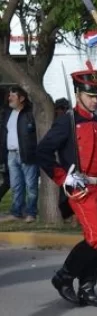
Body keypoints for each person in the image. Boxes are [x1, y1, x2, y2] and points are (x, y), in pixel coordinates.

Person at [36, 64, 97, 308]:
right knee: (96, 236)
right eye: (90, 96)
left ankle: (88, 288)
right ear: (78, 94)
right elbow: (43, 152)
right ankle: (64, 276)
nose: (94, 101)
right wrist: (63, 178)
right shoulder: (67, 121)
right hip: (80, 188)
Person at [0, 85, 38, 223]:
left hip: (26, 153)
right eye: (9, 95)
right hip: (11, 154)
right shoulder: (8, 113)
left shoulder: (30, 113)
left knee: (31, 185)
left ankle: (31, 212)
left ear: (21, 98)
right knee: (16, 185)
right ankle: (16, 212)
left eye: (13, 95)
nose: (9, 98)